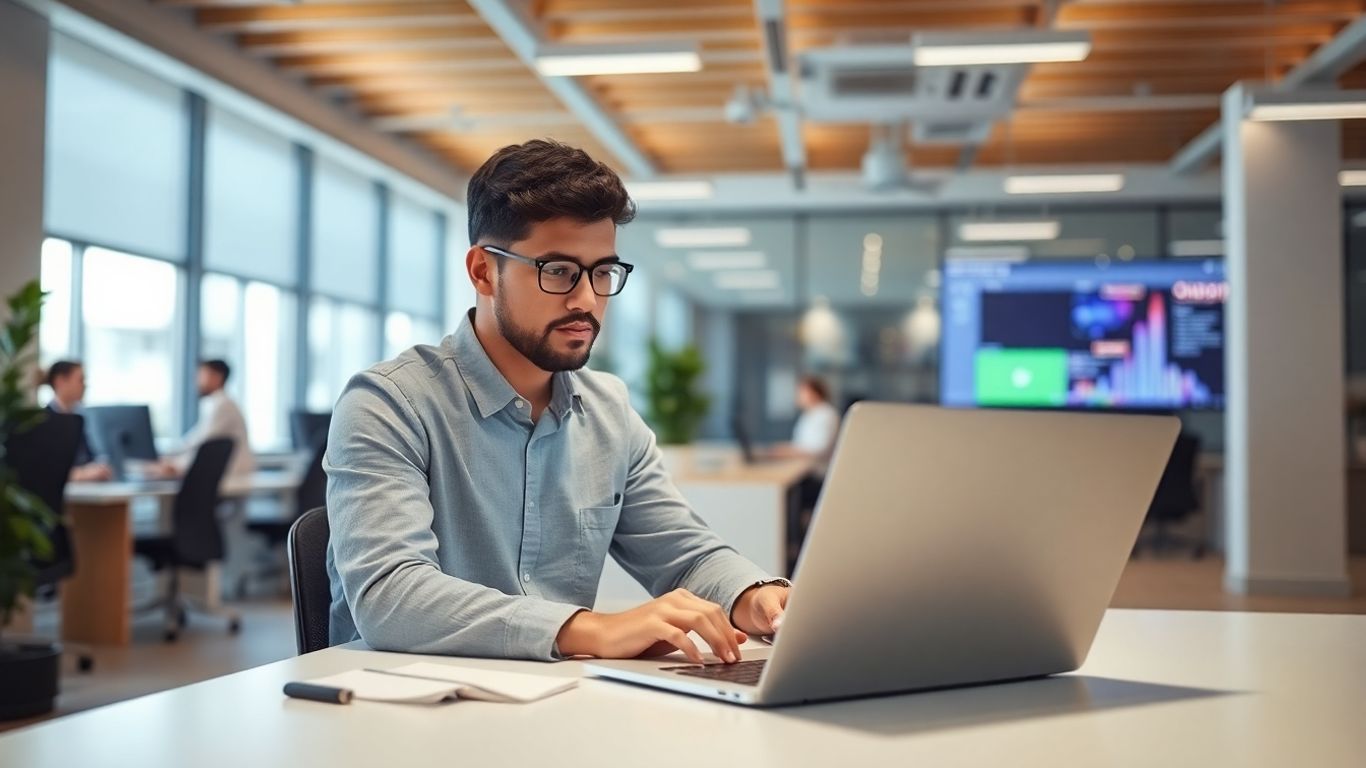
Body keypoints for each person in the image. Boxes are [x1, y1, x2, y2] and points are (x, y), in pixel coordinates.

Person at [326, 140, 790, 664]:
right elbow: (390, 596)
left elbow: (684, 556)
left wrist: (756, 598)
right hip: (396, 709)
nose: (587, 300)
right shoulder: (390, 403)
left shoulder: (608, 411)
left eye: (601, 272)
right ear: (483, 271)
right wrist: (589, 630)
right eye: (558, 271)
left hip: (556, 702)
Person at [159, 359, 255, 482]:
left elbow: (204, 440)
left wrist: (176, 463)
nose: (197, 381)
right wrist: (172, 458)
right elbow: (197, 437)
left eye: (201, 375)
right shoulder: (214, 403)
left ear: (217, 377)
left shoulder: (224, 405)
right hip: (222, 470)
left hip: (232, 472)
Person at [42, 360, 113, 482]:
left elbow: (88, 457)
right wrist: (81, 474)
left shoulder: (77, 418)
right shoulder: (42, 420)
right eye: (80, 380)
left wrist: (98, 467)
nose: (84, 386)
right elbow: (45, 469)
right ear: (60, 381)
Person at [769, 375, 842, 472]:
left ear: (815, 393)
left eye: (801, 392)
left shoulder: (826, 414)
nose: (797, 396)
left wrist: (788, 452)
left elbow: (819, 449)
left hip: (817, 473)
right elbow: (802, 444)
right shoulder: (809, 414)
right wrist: (785, 449)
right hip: (804, 468)